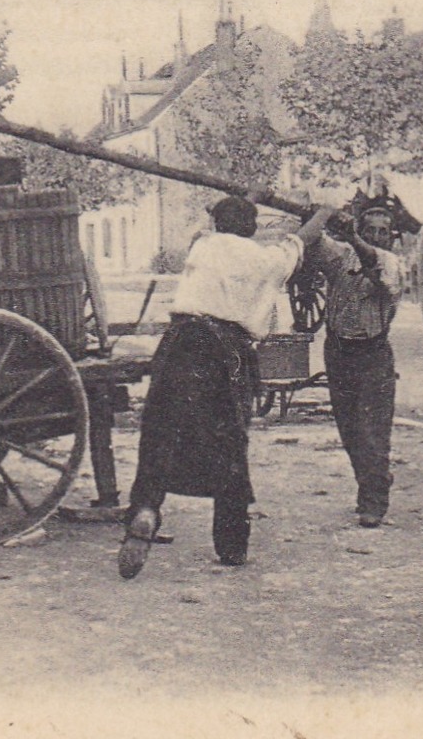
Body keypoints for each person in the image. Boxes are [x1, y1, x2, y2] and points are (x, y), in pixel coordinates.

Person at [120, 195, 334, 579]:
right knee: (230, 442)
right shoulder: (262, 258)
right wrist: (324, 213)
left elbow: (222, 220)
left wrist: (244, 197)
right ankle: (231, 545)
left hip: (179, 341)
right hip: (225, 349)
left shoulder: (202, 244)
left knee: (160, 432)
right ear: (251, 227)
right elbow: (298, 243)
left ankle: (145, 509)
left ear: (218, 222)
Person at [298, 201, 407, 529]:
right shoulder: (340, 256)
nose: (376, 237)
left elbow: (374, 268)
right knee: (350, 430)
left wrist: (355, 239)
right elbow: (312, 243)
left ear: (392, 238)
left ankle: (374, 500)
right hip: (338, 351)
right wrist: (316, 214)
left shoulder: (394, 264)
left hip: (373, 353)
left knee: (374, 431)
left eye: (382, 232)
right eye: (369, 230)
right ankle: (371, 484)